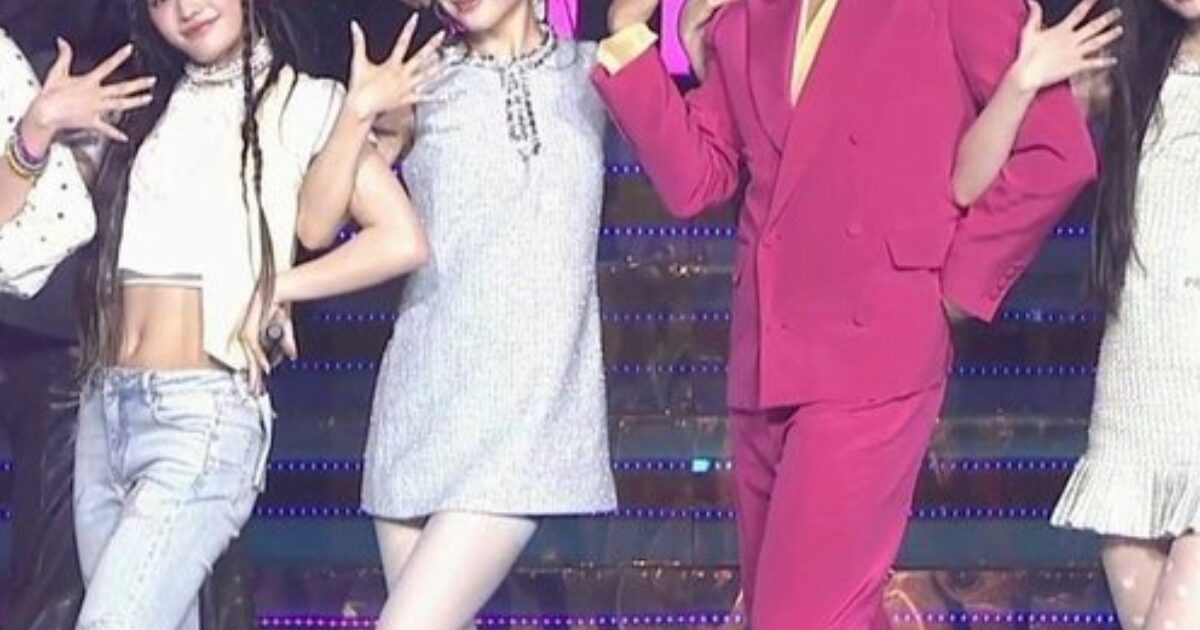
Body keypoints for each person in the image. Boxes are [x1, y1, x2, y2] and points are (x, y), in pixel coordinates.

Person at [593, 0, 1098, 626]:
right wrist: (627, 35)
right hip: (766, 351)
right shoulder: (751, 12)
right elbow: (697, 176)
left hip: (872, 352)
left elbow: (1055, 153)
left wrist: (952, 290)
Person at [69, 0, 430, 627]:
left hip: (201, 418)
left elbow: (399, 238)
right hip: (105, 412)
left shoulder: (307, 100)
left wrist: (276, 286)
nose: (187, 8)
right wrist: (37, 131)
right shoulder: (148, 105)